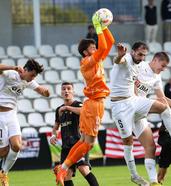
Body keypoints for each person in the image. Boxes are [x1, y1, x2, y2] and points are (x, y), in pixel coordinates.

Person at [110, 44, 171, 185]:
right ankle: (134, 175)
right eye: (162, 65)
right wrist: (120, 55)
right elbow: (119, 62)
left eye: (144, 55)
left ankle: (154, 181)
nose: (163, 69)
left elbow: (162, 99)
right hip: (123, 107)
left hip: (136, 105)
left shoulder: (156, 76)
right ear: (155, 60)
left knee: (151, 146)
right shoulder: (137, 64)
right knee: (128, 143)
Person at [55, 12, 115, 186]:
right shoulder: (87, 61)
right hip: (93, 104)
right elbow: (103, 47)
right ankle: (64, 167)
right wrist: (98, 28)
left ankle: (63, 167)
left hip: (96, 103)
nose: (96, 48)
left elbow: (108, 43)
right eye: (92, 47)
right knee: (88, 144)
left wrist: (105, 27)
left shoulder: (95, 60)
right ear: (85, 52)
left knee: (84, 142)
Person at [0, 59, 50, 186]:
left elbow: (40, 89)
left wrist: (46, 92)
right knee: (3, 152)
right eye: (32, 74)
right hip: (0, 116)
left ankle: (3, 173)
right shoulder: (11, 74)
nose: (33, 78)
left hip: (11, 115)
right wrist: (13, 67)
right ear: (25, 70)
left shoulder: (28, 81)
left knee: (17, 146)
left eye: (35, 76)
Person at [50, 82, 99, 186]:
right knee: (66, 175)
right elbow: (56, 126)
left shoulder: (78, 104)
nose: (66, 91)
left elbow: (84, 112)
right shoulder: (59, 109)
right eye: (63, 89)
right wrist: (54, 135)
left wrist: (67, 108)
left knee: (83, 168)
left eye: (69, 89)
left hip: (80, 143)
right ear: (61, 92)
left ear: (73, 91)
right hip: (66, 146)